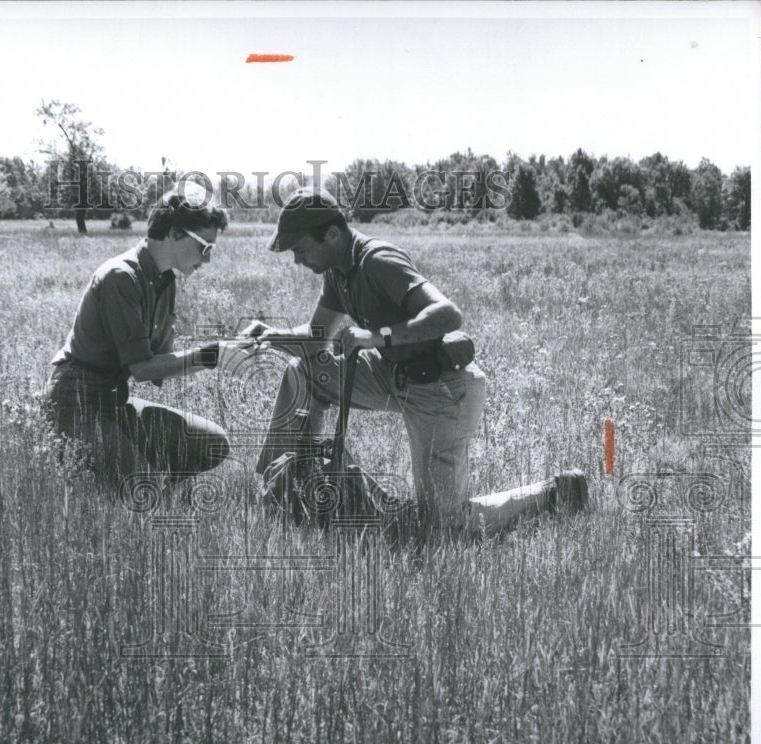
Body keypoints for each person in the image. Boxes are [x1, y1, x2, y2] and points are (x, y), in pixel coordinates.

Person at [246, 187, 587, 536]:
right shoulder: (336, 270)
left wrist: (378, 337)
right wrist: (270, 336)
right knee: (305, 371)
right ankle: (280, 485)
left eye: (300, 249)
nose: (297, 260)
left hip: (441, 388)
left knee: (443, 525)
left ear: (331, 234)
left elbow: (448, 315)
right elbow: (318, 338)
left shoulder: (378, 261)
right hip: (393, 375)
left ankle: (557, 492)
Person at [44, 186, 251, 484]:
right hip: (75, 404)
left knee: (213, 443)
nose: (207, 260)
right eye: (205, 247)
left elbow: (156, 370)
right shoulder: (121, 276)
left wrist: (222, 349)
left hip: (113, 403)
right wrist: (210, 356)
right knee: (143, 489)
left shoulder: (165, 280)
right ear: (176, 233)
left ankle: (157, 488)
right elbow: (142, 369)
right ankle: (136, 484)